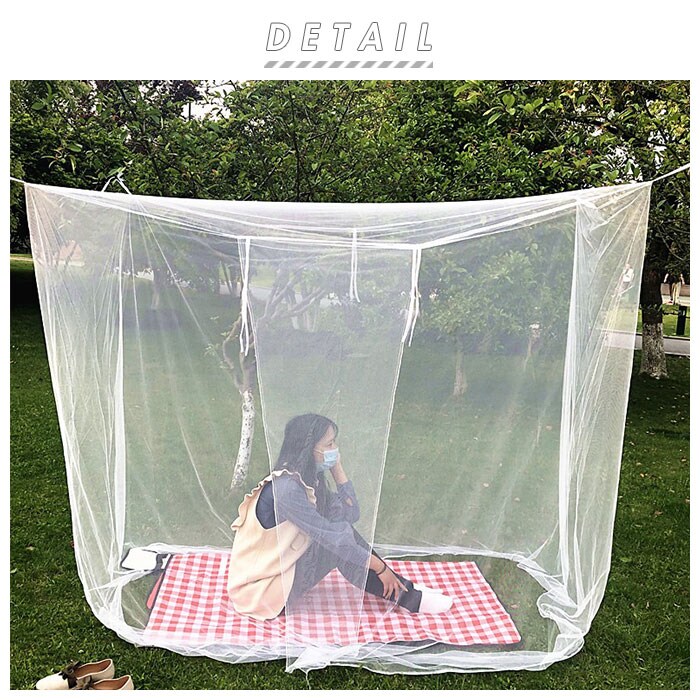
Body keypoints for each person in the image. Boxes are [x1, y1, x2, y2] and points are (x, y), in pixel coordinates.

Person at [227, 413, 453, 620]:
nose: (335, 449)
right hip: (261, 592)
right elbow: (334, 539)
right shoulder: (287, 489)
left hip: (280, 574)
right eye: (329, 444)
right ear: (308, 449)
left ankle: (405, 590)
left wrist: (337, 469)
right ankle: (409, 598)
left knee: (341, 534)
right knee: (336, 545)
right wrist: (380, 568)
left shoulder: (308, 479)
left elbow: (350, 514)